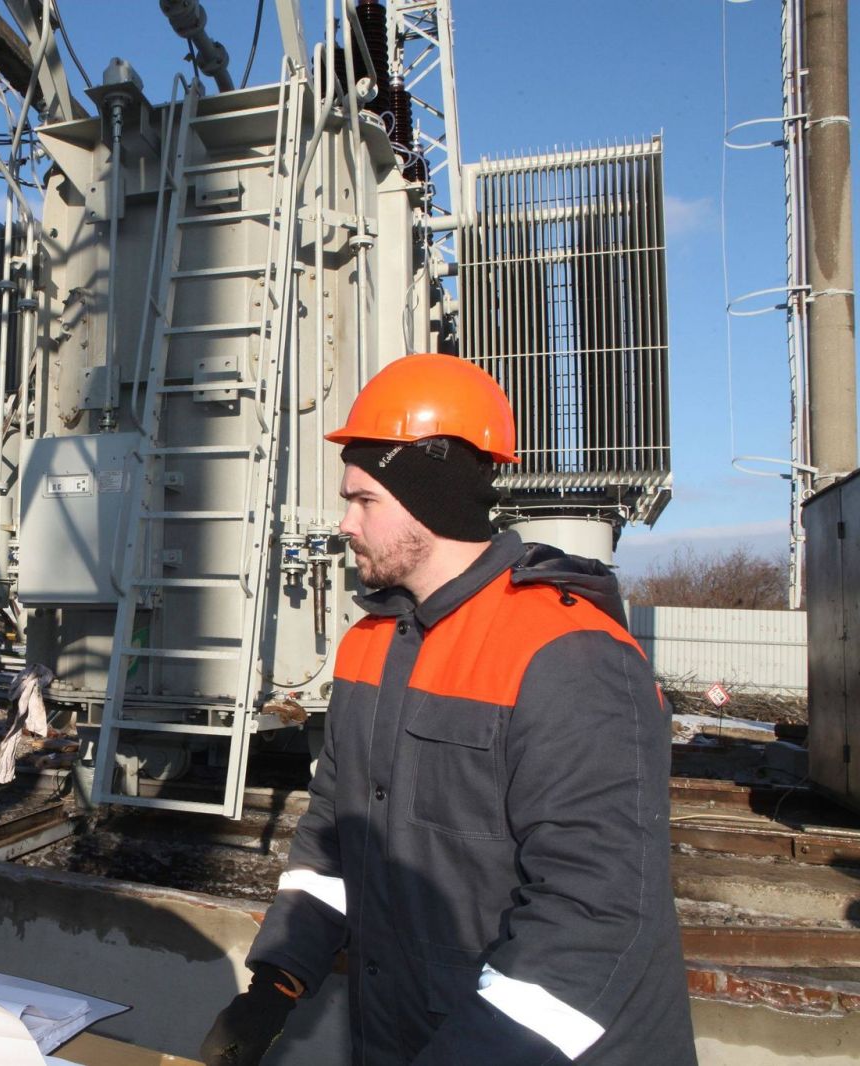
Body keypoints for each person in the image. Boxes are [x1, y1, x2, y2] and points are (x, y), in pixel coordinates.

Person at [200, 354, 695, 1066]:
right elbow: (336, 844)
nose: (345, 523)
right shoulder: (369, 647)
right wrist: (277, 983)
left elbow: (596, 917)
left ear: (429, 497)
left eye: (363, 500)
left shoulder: (570, 654)